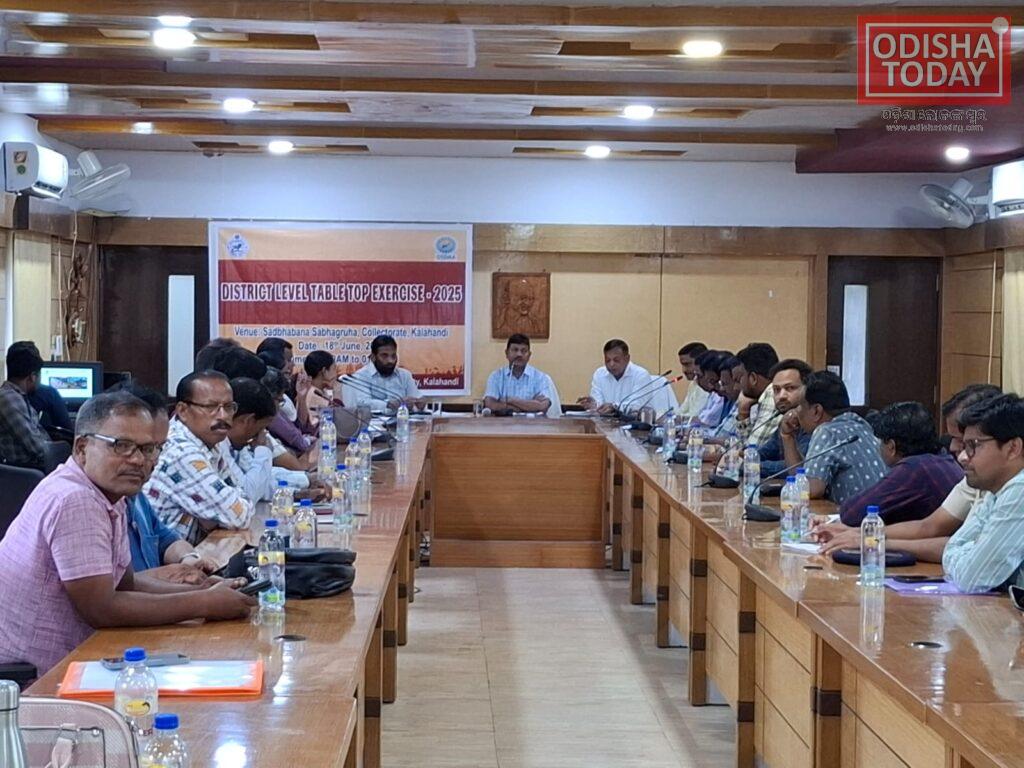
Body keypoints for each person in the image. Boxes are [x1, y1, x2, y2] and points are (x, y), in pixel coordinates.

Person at [0, 391, 255, 677]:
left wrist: (204, 590)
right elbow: (102, 609)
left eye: (149, 449)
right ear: (82, 448)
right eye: (122, 446)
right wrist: (204, 603)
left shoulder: (110, 495)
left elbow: (125, 585)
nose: (139, 460)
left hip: (82, 658)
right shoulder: (74, 499)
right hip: (38, 678)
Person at [814, 384, 1000, 561]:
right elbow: (929, 527)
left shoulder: (918, 468)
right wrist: (859, 534)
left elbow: (961, 548)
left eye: (969, 443)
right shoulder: (966, 476)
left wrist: (871, 541)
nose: (954, 448)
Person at [106, 382, 220, 582]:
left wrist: (189, 559)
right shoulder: (85, 506)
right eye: (127, 446)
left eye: (157, 448)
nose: (147, 460)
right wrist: (187, 587)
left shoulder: (134, 494)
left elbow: (166, 539)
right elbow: (117, 590)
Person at [145, 371, 258, 545]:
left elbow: (242, 495)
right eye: (211, 407)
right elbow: (238, 516)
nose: (223, 416)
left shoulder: (211, 442)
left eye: (229, 407)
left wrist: (214, 515)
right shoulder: (181, 452)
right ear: (183, 410)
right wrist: (218, 513)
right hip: (163, 558)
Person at [832, 401, 963, 526]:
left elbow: (852, 514)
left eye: (880, 442)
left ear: (891, 446)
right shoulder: (943, 458)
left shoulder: (914, 469)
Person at [943, 394, 1024, 593]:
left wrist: (971, 552)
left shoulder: (1020, 490)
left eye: (973, 446)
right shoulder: (996, 490)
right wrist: (971, 552)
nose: (963, 457)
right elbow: (951, 548)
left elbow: (973, 578)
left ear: (1013, 448)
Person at [780, 371, 886, 505]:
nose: (795, 412)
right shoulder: (862, 425)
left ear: (816, 411)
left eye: (799, 406)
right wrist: (787, 437)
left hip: (858, 515)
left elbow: (811, 489)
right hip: (882, 514)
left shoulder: (827, 431)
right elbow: (803, 477)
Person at [580, 339, 677, 417]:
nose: (611, 364)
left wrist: (614, 407)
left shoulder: (641, 375)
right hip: (607, 425)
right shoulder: (599, 374)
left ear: (627, 358)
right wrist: (594, 405)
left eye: (616, 360)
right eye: (607, 360)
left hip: (635, 426)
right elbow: (599, 404)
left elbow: (636, 405)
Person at [0, 342, 53, 470]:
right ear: (32, 377)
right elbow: (38, 447)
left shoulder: (16, 396)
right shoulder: (9, 400)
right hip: (25, 472)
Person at [224, 377, 277, 504]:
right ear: (248, 420)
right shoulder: (217, 443)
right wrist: (263, 450)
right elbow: (247, 495)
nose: (261, 435)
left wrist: (295, 491)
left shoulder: (235, 444)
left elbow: (258, 480)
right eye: (260, 428)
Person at [757, 358, 813, 478]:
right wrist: (740, 457)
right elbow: (764, 452)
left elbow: (797, 468)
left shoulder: (813, 423)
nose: (781, 396)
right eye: (776, 390)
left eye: (790, 388)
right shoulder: (786, 421)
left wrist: (752, 466)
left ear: (807, 389)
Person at [342, 334, 425, 413]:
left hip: (403, 420)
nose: (390, 361)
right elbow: (363, 403)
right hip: (371, 422)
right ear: (373, 357)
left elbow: (416, 398)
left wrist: (419, 403)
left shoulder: (404, 375)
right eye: (384, 356)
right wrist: (390, 404)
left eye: (393, 356)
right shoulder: (360, 376)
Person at [484, 334, 561, 418]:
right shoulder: (496, 377)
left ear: (529, 355)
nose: (519, 354)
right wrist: (530, 406)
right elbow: (490, 404)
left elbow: (543, 406)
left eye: (523, 351)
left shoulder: (540, 378)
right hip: (503, 425)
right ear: (506, 353)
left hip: (534, 425)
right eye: (515, 350)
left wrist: (510, 400)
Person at [10, 342, 73, 434]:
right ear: (33, 377)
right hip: (40, 442)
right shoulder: (13, 401)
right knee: (50, 393)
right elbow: (36, 443)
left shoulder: (9, 394)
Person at [733, 343, 781, 448]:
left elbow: (751, 449)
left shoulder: (771, 394)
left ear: (753, 378)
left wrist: (743, 413)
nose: (737, 386)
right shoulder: (760, 398)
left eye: (740, 378)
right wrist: (744, 411)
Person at [303, 350, 339, 428]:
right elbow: (339, 419)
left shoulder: (319, 390)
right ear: (324, 371)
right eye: (334, 369)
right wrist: (337, 392)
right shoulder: (314, 395)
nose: (336, 374)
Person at [693, 349, 727, 428]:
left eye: (699, 376)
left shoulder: (724, 396)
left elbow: (706, 422)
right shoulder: (716, 393)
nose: (711, 386)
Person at [677, 342, 710, 420]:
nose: (684, 370)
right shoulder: (694, 383)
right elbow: (682, 410)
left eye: (687, 364)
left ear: (701, 362)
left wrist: (677, 419)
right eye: (682, 365)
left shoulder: (709, 384)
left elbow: (696, 416)